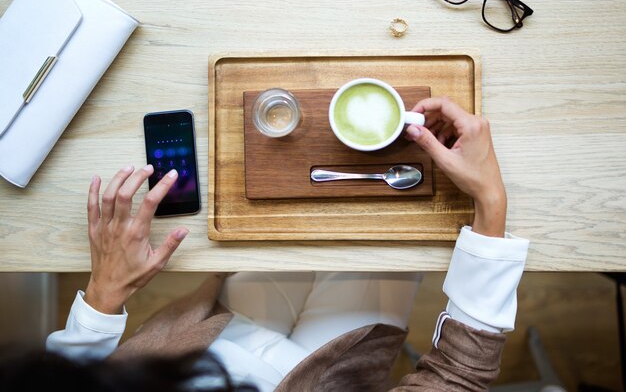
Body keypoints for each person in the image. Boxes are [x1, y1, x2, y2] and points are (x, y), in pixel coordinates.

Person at [11, 97, 528, 391]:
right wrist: (490, 204)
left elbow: (72, 375)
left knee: (296, 229)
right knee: (383, 233)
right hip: (327, 364)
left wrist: (102, 297)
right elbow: (456, 376)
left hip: (215, 327)